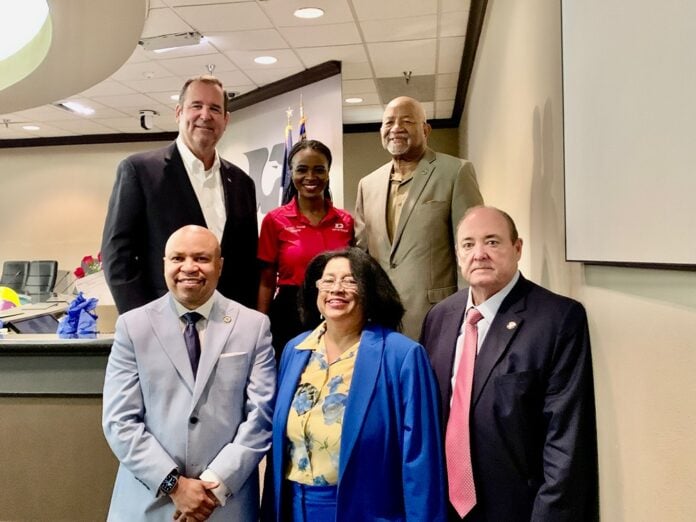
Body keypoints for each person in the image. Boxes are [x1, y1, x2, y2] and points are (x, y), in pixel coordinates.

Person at [420, 206, 599, 521]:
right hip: (443, 507)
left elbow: (566, 444)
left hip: (517, 509)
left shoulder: (557, 320)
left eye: (492, 242)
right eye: (468, 244)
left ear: (517, 249)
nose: (479, 254)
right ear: (457, 254)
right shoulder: (439, 318)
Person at [102, 225, 275, 521]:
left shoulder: (253, 326)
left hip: (223, 505)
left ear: (219, 266)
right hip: (149, 502)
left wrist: (213, 486)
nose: (189, 268)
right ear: (165, 264)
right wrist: (174, 485)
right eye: (178, 258)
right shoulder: (133, 327)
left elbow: (261, 416)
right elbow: (119, 421)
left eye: (202, 258)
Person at [263, 247, 446, 522]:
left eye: (350, 281)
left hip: (365, 512)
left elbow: (421, 462)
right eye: (328, 280)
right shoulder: (295, 350)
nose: (337, 289)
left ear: (370, 291)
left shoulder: (402, 356)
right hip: (293, 509)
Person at [101, 75, 258, 314]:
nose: (205, 115)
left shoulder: (241, 183)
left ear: (225, 120)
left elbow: (247, 263)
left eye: (215, 108)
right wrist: (143, 323)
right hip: (162, 323)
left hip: (228, 325)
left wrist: (245, 321)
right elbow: (117, 257)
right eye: (196, 106)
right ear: (178, 113)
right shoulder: (140, 171)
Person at [355, 96, 483, 340]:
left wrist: (470, 313)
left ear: (426, 129)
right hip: (381, 319)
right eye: (388, 122)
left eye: (406, 121)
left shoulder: (455, 172)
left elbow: (470, 249)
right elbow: (363, 256)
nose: (396, 128)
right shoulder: (367, 184)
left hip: (438, 317)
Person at [257, 139, 354, 362]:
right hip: (289, 313)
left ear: (328, 173)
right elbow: (266, 280)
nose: (310, 177)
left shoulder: (346, 221)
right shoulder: (275, 220)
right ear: (291, 173)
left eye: (319, 169)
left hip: (336, 307)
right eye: (302, 169)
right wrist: (260, 326)